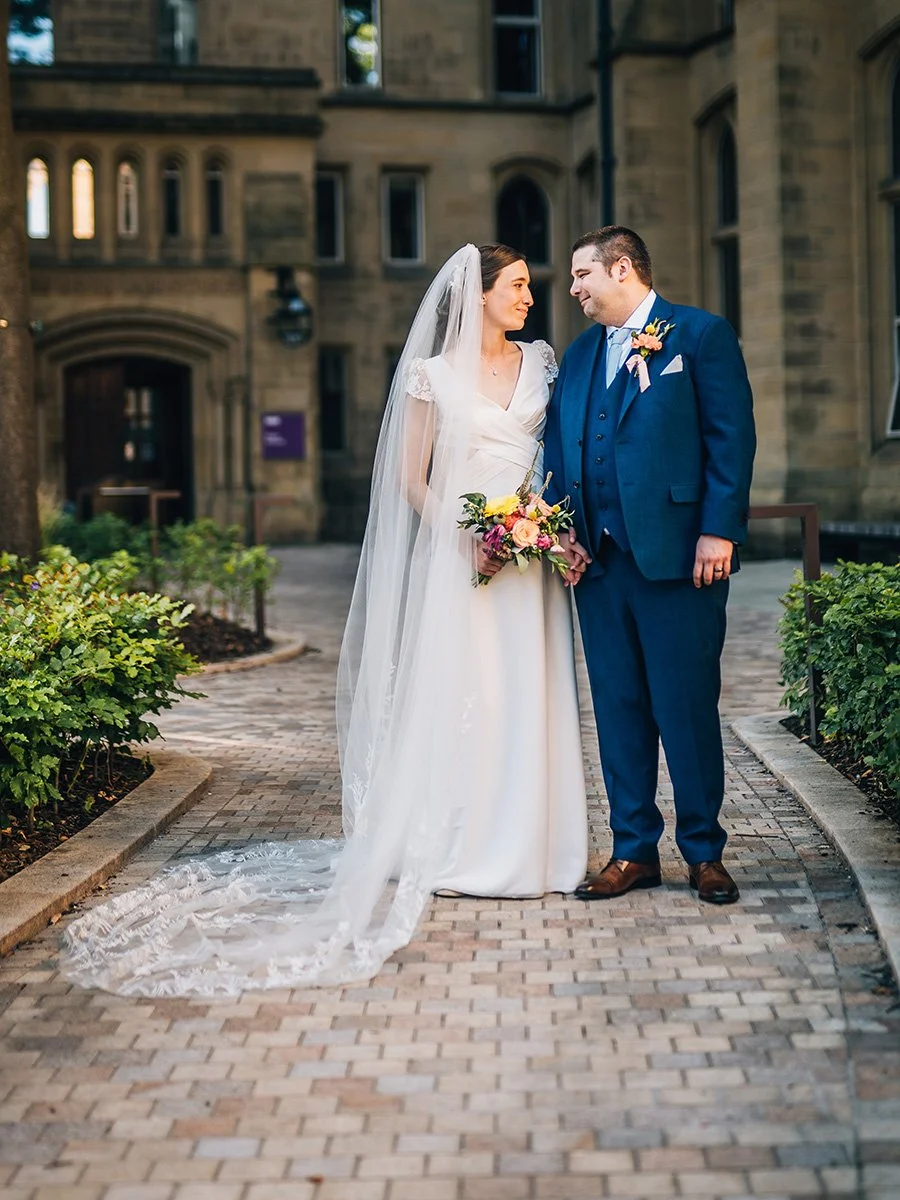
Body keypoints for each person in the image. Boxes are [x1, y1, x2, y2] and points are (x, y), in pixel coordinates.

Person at [59, 243, 587, 997]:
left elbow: (555, 461)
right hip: (463, 562)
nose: (530, 297)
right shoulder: (431, 375)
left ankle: (542, 849)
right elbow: (411, 478)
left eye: (531, 287)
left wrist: (539, 525)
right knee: (473, 696)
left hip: (530, 565)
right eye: (519, 286)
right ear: (480, 295)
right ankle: (467, 846)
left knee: (530, 697)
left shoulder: (545, 362)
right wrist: (464, 537)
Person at [544, 226, 756, 906]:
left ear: (623, 268)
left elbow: (731, 437)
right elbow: (558, 453)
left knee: (685, 708)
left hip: (680, 560)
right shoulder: (577, 358)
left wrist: (718, 530)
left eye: (583, 274)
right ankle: (633, 849)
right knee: (618, 710)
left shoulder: (698, 336)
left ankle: (703, 852)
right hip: (599, 567)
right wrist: (563, 533)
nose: (573, 287)